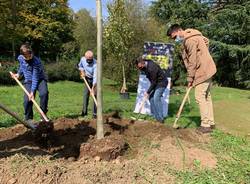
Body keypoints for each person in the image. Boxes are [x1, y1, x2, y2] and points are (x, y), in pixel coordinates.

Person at [167, 24, 217, 133]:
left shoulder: (189, 40)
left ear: (179, 30)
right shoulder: (196, 35)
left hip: (202, 71)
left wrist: (190, 78)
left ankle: (205, 125)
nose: (175, 39)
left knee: (199, 96)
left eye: (175, 37)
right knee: (207, 97)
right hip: (209, 69)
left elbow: (192, 61)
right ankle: (210, 122)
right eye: (173, 39)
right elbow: (206, 41)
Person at [10, 43, 49, 122]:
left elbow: (35, 77)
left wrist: (32, 92)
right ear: (23, 55)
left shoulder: (36, 61)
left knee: (44, 93)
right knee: (27, 100)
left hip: (40, 79)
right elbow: (22, 66)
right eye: (26, 55)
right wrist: (18, 74)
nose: (28, 57)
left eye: (29, 54)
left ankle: (43, 116)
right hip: (28, 81)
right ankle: (28, 118)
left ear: (31, 52)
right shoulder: (20, 58)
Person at [135, 57, 168, 123]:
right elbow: (152, 81)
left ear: (142, 63)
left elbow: (154, 82)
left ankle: (161, 119)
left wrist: (148, 92)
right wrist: (149, 92)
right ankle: (156, 117)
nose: (139, 68)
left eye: (139, 66)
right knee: (151, 98)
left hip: (162, 82)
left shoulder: (152, 68)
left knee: (156, 98)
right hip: (156, 83)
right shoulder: (144, 66)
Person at [78, 50, 97, 119]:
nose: (89, 61)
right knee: (85, 95)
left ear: (92, 58)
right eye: (88, 59)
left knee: (95, 95)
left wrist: (93, 88)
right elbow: (80, 66)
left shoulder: (96, 64)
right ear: (85, 57)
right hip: (87, 78)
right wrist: (82, 71)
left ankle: (95, 114)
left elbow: (95, 77)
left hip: (95, 80)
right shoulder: (82, 59)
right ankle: (84, 112)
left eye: (90, 59)